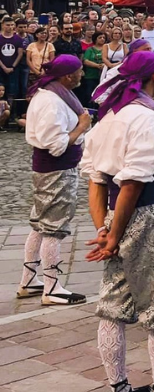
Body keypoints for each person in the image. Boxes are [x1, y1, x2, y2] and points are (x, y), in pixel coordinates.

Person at [81, 51, 154, 392]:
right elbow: (134, 183)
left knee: (114, 305)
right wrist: (113, 236)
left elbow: (96, 181)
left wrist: (104, 228)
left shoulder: (107, 117)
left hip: (115, 215)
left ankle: (119, 386)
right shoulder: (145, 117)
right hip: (149, 216)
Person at [18, 55, 92, 305]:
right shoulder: (52, 100)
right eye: (80, 71)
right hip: (56, 170)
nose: (82, 75)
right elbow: (56, 145)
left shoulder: (53, 93)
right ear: (68, 75)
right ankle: (52, 286)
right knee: (53, 228)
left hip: (51, 170)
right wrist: (81, 127)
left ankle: (29, 280)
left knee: (40, 223)